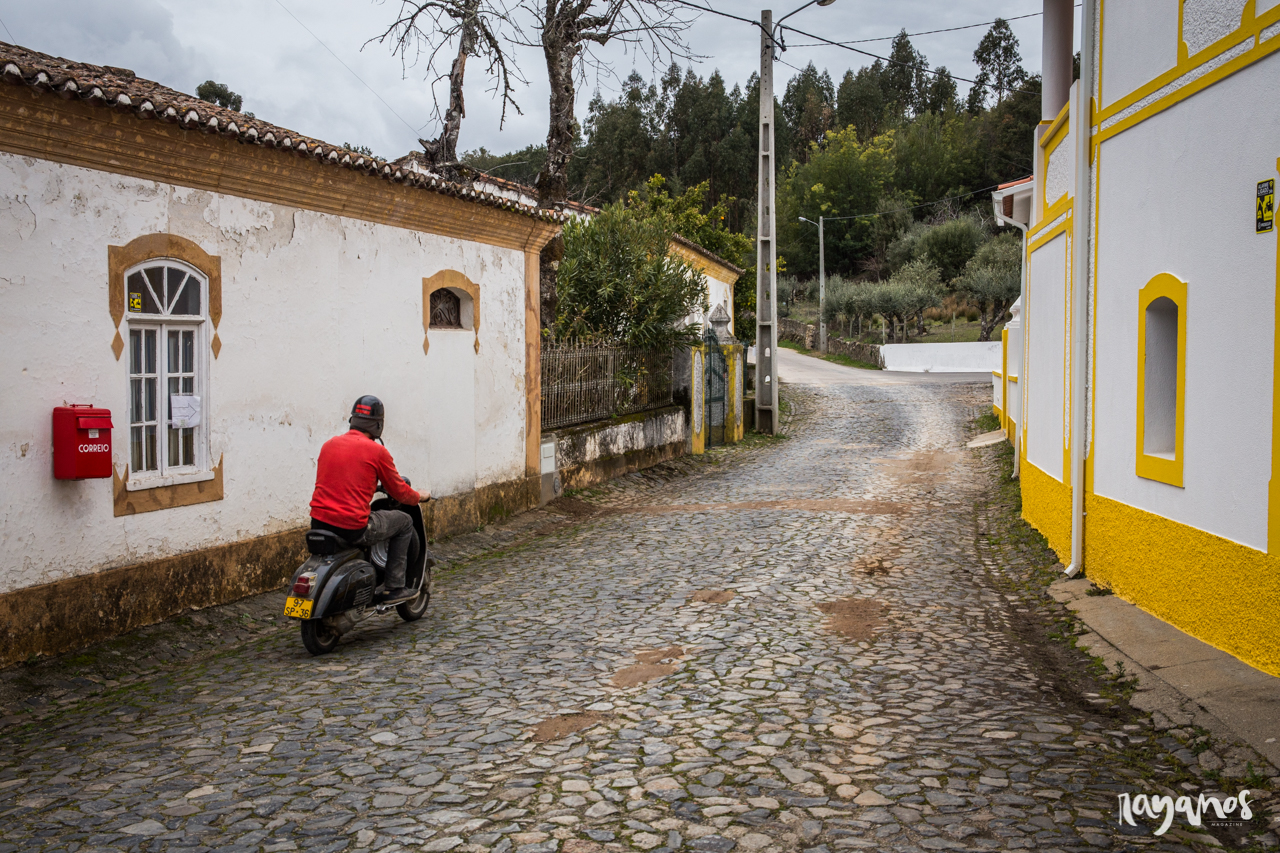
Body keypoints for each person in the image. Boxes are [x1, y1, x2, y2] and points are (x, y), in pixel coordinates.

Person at [310, 395, 426, 604]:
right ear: (378, 425)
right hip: (351, 528)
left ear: (353, 420)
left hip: (318, 523)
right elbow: (400, 492)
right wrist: (420, 496)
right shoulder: (377, 451)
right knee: (405, 522)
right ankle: (394, 587)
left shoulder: (329, 445)